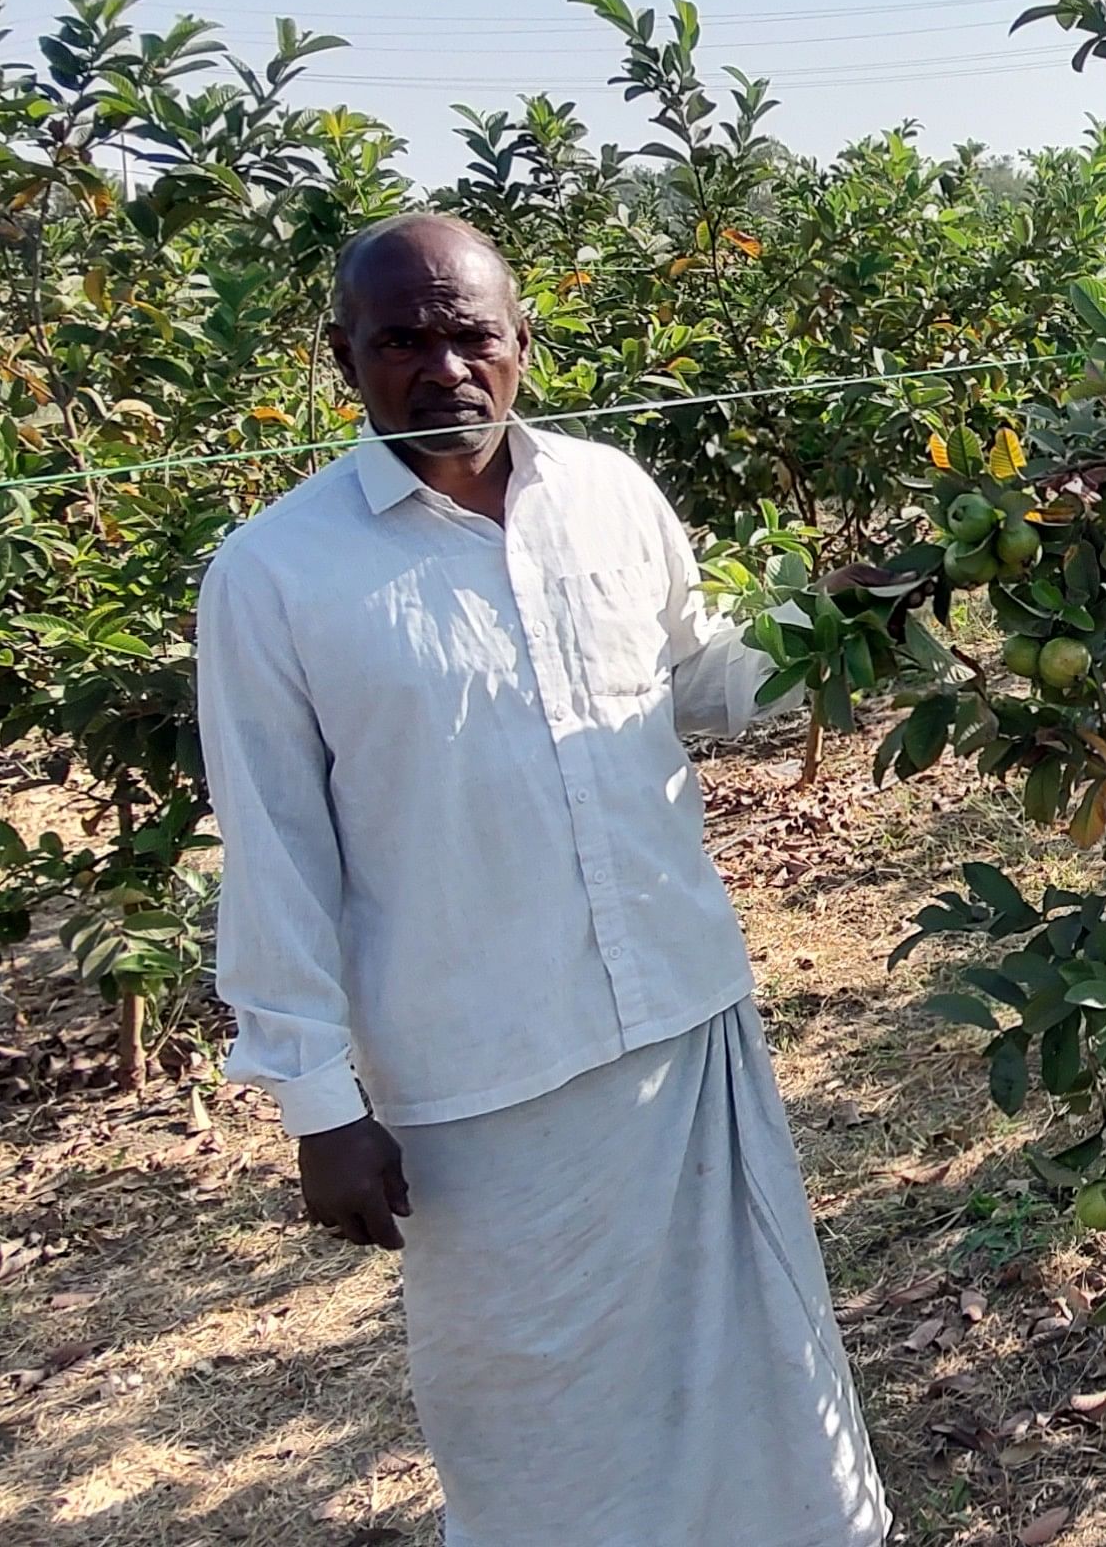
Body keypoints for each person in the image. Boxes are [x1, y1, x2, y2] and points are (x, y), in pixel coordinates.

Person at [197, 213, 892, 1547]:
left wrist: (864, 615)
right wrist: (314, 1100)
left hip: (682, 1019)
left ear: (522, 345)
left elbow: (704, 678)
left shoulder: (609, 493)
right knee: (537, 1411)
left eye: (470, 334)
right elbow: (274, 848)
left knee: (754, 1366)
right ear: (343, 357)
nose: (441, 367)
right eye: (401, 340)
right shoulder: (277, 575)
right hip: (481, 1069)